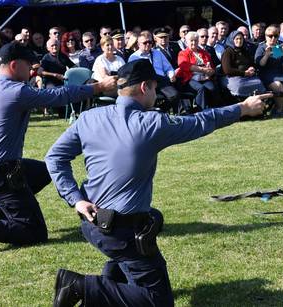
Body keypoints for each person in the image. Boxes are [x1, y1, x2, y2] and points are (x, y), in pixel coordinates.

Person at [45, 59, 270, 307]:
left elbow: (54, 157)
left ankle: (114, 276)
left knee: (154, 217)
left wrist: (76, 199)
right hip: (120, 232)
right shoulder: (152, 123)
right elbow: (203, 121)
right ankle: (80, 286)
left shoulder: (89, 118)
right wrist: (243, 107)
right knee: (157, 303)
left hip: (92, 222)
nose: (157, 93)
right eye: (155, 87)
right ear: (145, 87)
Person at [0, 42, 117, 254]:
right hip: (2, 175)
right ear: (14, 65)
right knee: (33, 232)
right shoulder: (17, 91)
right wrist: (98, 87)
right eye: (28, 64)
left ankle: (4, 210)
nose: (31, 69)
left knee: (46, 171)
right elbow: (59, 96)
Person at [129, 31, 178, 111]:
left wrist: (171, 75)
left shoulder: (157, 53)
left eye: (150, 42)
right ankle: (157, 113)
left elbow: (168, 68)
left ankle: (164, 112)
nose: (148, 44)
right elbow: (133, 76)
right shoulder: (134, 57)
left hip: (161, 81)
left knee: (174, 95)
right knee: (150, 101)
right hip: (146, 84)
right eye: (145, 43)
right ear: (138, 44)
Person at [255, 25, 283, 115]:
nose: (273, 38)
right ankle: (279, 110)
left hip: (280, 73)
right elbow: (260, 65)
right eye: (270, 36)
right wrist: (266, 55)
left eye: (276, 36)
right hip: (266, 74)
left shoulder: (279, 46)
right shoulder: (261, 47)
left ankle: (277, 108)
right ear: (266, 36)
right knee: (278, 86)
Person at [176, 31, 216, 110]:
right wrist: (202, 70)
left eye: (196, 40)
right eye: (191, 40)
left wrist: (211, 71)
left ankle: (212, 110)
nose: (194, 42)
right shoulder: (183, 53)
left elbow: (212, 68)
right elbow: (184, 65)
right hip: (189, 79)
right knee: (201, 88)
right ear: (187, 42)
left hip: (204, 78)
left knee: (212, 88)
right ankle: (201, 111)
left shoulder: (204, 53)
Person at [221, 31, 265, 98]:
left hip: (247, 76)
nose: (239, 41)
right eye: (237, 39)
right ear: (232, 40)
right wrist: (244, 73)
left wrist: (252, 68)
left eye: (241, 39)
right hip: (232, 77)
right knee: (239, 86)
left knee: (259, 83)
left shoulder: (245, 50)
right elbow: (227, 70)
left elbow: (251, 63)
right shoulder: (228, 52)